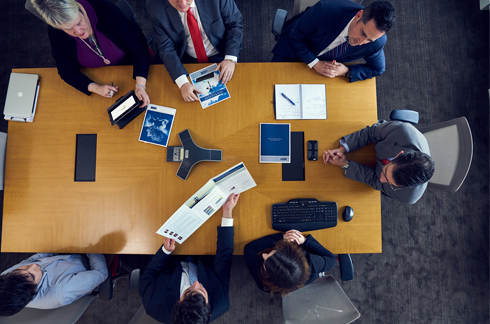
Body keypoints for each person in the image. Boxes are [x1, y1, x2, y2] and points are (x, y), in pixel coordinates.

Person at [140, 193, 240, 324]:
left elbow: (149, 273)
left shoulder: (153, 305)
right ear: (209, 310)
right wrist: (227, 213)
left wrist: (165, 251)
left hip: (169, 259)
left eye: (188, 290)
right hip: (204, 256)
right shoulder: (221, 302)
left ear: (178, 303)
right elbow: (224, 259)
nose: (196, 283)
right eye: (202, 290)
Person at [31, 0, 151, 105]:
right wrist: (96, 88)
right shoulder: (56, 31)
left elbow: (139, 50)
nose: (78, 32)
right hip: (95, 74)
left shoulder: (105, 10)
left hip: (133, 66)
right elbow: (67, 72)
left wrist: (140, 86)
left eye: (78, 23)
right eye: (69, 29)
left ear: (79, 7)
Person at [272, 0, 396, 82]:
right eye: (363, 33)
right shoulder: (325, 10)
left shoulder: (377, 43)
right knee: (271, 83)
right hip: (294, 51)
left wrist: (346, 71)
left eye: (369, 40)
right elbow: (296, 36)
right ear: (358, 15)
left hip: (325, 69)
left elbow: (378, 69)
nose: (361, 42)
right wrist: (315, 63)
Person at [145, 0, 243, 102]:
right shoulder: (154, 5)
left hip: (220, 53)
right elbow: (166, 48)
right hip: (183, 56)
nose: (183, 4)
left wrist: (230, 59)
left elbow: (234, 24)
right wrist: (183, 83)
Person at [323, 120, 435, 204]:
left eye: (390, 184)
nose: (381, 179)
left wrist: (345, 164)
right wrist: (343, 148)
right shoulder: (402, 131)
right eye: (385, 171)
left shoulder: (409, 197)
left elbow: (374, 181)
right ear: (398, 154)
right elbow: (371, 133)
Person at [0, 253, 108, 316]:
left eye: (24, 268)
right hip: (92, 259)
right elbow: (101, 273)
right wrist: (91, 247)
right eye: (32, 276)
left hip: (66, 251)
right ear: (33, 292)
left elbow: (33, 259)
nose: (33, 266)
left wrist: (58, 244)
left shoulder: (7, 277)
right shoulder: (61, 291)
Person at [244, 230, 336, 296]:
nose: (263, 255)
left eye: (269, 254)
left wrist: (280, 238)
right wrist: (305, 241)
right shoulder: (312, 263)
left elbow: (249, 248)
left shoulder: (261, 281)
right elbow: (332, 260)